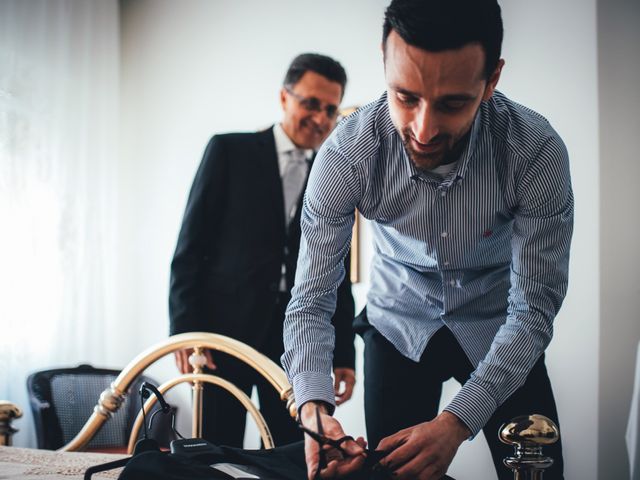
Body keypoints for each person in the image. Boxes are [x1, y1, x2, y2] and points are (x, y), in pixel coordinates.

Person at [282, 1, 573, 479]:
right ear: (384, 58)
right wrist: (313, 408)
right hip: (397, 325)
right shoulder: (345, 154)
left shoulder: (535, 151)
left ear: (492, 78)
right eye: (406, 96)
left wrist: (459, 420)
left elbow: (533, 310)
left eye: (452, 103)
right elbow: (311, 302)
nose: (423, 129)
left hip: (501, 328)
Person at [169, 53, 356, 448]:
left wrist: (343, 352)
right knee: (215, 454)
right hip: (221, 340)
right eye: (310, 103)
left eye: (330, 109)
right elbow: (190, 248)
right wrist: (186, 331)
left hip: (294, 346)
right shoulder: (229, 152)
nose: (321, 119)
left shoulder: (335, 171)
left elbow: (334, 269)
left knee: (291, 454)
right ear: (284, 98)